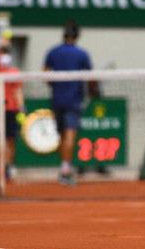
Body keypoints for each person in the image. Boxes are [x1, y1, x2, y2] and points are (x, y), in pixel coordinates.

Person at [43, 20, 94, 185]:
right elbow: (90, 77)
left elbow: (44, 74)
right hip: (73, 100)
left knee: (61, 135)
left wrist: (55, 86)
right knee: (69, 134)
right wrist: (91, 92)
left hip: (57, 99)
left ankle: (65, 168)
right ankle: (66, 169)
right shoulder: (82, 54)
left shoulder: (53, 52)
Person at [0, 46, 25, 180]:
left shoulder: (15, 71)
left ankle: (7, 167)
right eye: (2, 54)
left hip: (11, 110)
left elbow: (18, 91)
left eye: (6, 53)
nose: (4, 56)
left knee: (10, 140)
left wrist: (21, 108)